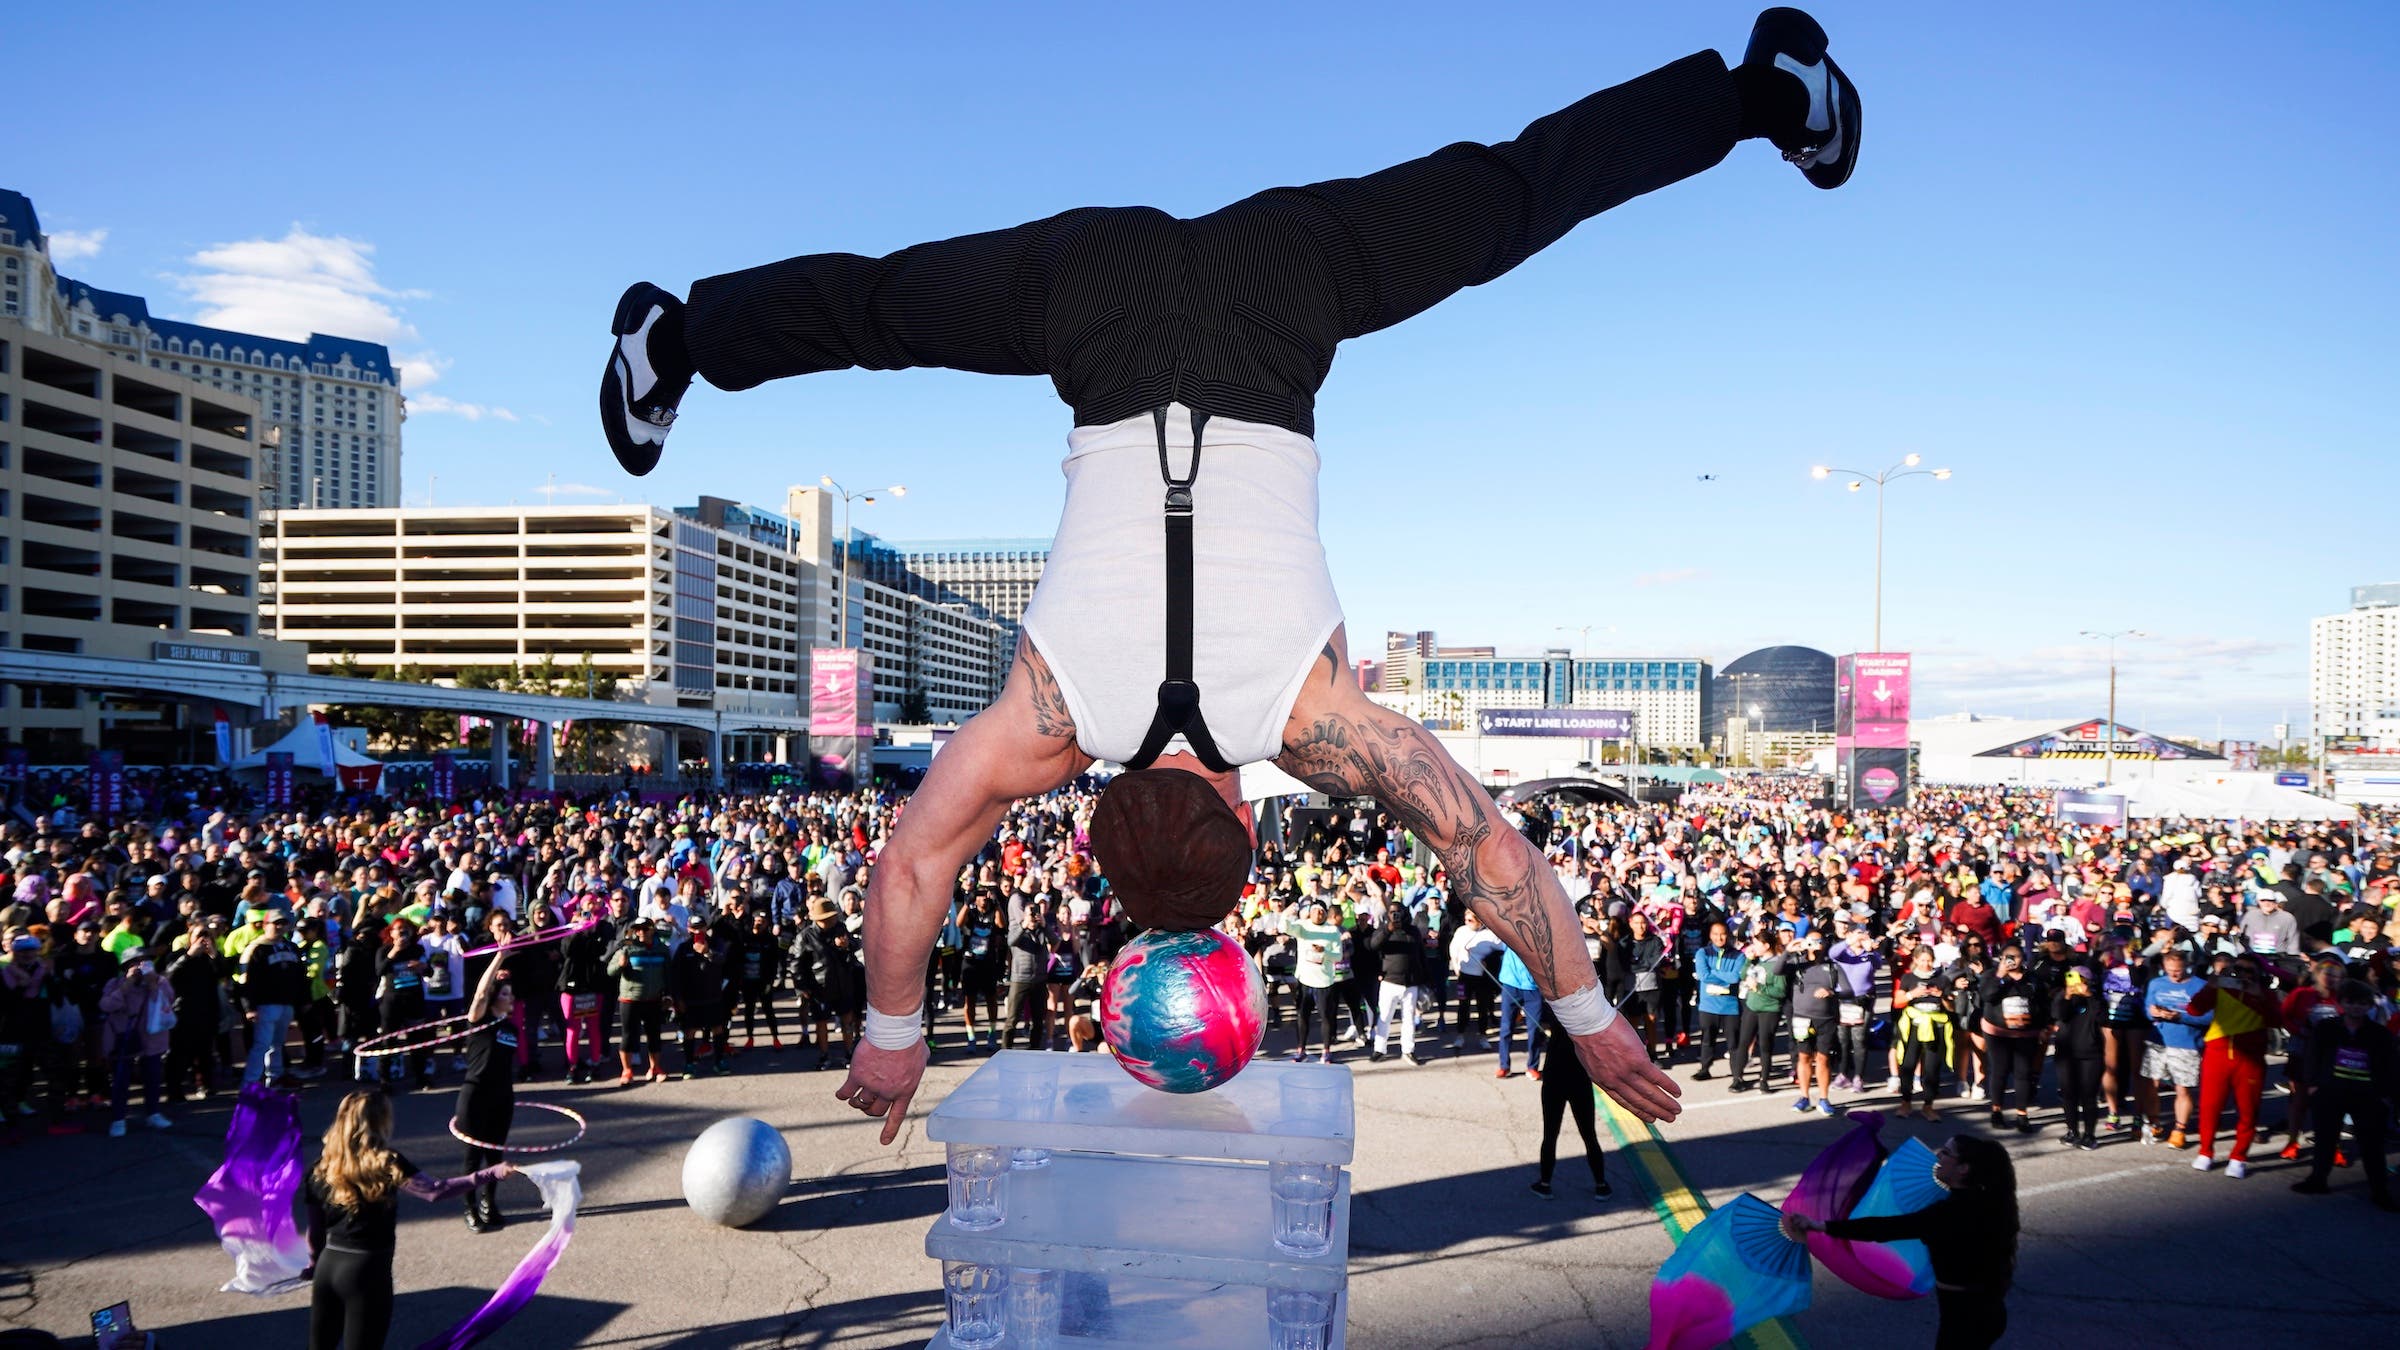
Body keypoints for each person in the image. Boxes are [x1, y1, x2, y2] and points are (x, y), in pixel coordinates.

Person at [666, 10, 1880, 1142]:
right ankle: (673, 334)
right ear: (1095, 820)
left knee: (1511, 196)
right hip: (1098, 289)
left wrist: (1591, 1019)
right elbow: (916, 865)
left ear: (1247, 814)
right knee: (884, 308)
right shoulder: (1046, 722)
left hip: (1280, 284)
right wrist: (892, 1032)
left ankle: (1756, 95)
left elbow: (1489, 855)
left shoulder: (1309, 722)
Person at [305, 1089, 514, 1350]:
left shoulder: (320, 1167)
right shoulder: (386, 1162)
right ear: (380, 1121)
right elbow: (436, 1190)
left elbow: (314, 1233)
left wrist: (314, 1263)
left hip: (329, 1266)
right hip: (367, 1270)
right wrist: (490, 1173)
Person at [1783, 1136, 2018, 1350]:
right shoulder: (1988, 1200)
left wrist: (1822, 1226)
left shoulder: (1950, 1213)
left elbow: (1886, 1227)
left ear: (1963, 1169)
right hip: (1985, 1309)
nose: (1938, 1156)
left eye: (1946, 1153)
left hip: (1967, 1318)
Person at [2289, 979, 2397, 1210]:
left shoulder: (2380, 1034)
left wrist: (2386, 1094)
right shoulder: (2327, 1028)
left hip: (2367, 1095)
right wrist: (2312, 1085)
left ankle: (2380, 1191)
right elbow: (2312, 1056)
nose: (2356, 1008)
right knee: (2325, 1140)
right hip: (2330, 1091)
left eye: (2361, 1003)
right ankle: (2318, 1180)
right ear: (2342, 1004)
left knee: (2372, 1145)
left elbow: (2390, 1065)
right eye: (2351, 1002)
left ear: (2369, 1006)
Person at [2186, 954, 2281, 1178]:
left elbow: (2276, 1021)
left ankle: (2239, 1156)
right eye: (2239, 969)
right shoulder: (2222, 988)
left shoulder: (2266, 994)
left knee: (2248, 1110)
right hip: (2217, 1054)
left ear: (2259, 975)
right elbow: (2194, 1010)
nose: (2244, 975)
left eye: (2250, 971)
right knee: (2210, 1107)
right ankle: (2205, 1151)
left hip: (2250, 1059)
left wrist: (2259, 997)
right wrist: (2210, 986)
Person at [453, 956, 518, 1232]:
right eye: (505, 993)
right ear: (494, 999)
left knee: (495, 1158)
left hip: (502, 1097)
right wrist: (500, 956)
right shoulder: (480, 1022)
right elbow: (480, 993)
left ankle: (489, 1204)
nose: (510, 997)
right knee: (473, 1157)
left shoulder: (512, 1029)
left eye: (511, 994)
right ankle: (469, 1208)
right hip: (475, 1096)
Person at [1529, 1001, 1612, 1202]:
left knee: (1550, 1133)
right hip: (1579, 1079)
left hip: (1554, 1078)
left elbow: (1538, 1029)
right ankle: (1600, 1184)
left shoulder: (1554, 1010)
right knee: (1589, 1134)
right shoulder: (1587, 1016)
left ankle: (1545, 1183)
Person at [95, 946, 174, 1137]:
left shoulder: (160, 981)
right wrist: (128, 984)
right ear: (126, 966)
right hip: (125, 1037)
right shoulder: (116, 983)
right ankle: (118, 1118)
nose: (141, 966)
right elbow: (106, 1005)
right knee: (121, 1079)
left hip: (152, 1038)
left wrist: (153, 983)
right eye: (136, 962)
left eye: (145, 961)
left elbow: (167, 1002)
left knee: (153, 1077)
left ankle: (153, 1112)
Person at [2139, 946, 2209, 1149]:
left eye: (2177, 970)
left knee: (2182, 1088)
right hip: (2158, 1041)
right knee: (2151, 1085)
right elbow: (2146, 1009)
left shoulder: (2200, 986)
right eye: (2169, 970)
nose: (2173, 975)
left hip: (2186, 1044)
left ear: (2187, 965)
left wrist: (2180, 1016)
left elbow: (2210, 1017)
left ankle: (2180, 1129)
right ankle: (2154, 1123)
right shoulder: (2156, 984)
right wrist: (2153, 1012)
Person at [1977, 945, 2046, 1134]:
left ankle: (2021, 1115)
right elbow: (1987, 996)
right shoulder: (1992, 975)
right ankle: (1996, 1111)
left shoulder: (2032, 978)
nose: (2012, 961)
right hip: (1998, 1033)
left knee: (2023, 1074)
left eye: (2015, 957)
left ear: (2022, 958)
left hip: (2026, 1034)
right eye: (2007, 957)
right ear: (2000, 958)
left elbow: (2041, 1004)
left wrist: (2043, 1027)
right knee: (1999, 1071)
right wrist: (2000, 975)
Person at [241, 911, 307, 1087]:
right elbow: (246, 981)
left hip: (286, 1003)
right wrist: (249, 1007)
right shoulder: (256, 948)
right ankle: (250, 1084)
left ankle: (275, 1077)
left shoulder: (292, 947)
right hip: (265, 1004)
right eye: (275, 923)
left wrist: (303, 1000)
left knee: (277, 1044)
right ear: (265, 925)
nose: (279, 927)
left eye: (283, 923)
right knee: (261, 1045)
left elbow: (301, 976)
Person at [1892, 941, 1954, 1121]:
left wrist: (1941, 996)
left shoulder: (1942, 979)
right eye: (1922, 960)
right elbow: (1898, 1002)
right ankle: (1905, 1103)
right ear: (1916, 960)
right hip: (1913, 1026)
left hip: (1935, 1026)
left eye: (1929, 960)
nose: (1926, 964)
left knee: (1932, 1067)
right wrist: (1913, 994)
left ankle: (1928, 1106)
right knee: (1908, 1063)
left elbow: (1951, 1007)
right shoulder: (1908, 978)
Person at [606, 918, 671, 1085]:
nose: (641, 931)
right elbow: (610, 971)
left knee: (654, 1035)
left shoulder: (662, 949)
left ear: (652, 929)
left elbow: (668, 974)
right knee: (628, 1036)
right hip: (630, 999)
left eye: (645, 928)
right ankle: (627, 1070)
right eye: (638, 929)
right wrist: (621, 965)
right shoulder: (627, 948)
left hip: (653, 999)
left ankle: (655, 1067)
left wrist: (668, 995)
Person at [2048, 965, 2106, 1149]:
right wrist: (2066, 995)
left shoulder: (2096, 999)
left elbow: (2101, 1017)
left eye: (2079, 978)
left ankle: (2090, 1134)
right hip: (2066, 1053)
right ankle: (2072, 1131)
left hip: (2091, 1054)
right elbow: (2058, 1014)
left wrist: (2088, 995)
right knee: (2068, 1094)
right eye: (2071, 977)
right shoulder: (2063, 996)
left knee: (2089, 1095)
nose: (2074, 982)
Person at [1728, 929, 1789, 1094]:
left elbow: (1781, 991)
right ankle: (1737, 1078)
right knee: (1743, 1042)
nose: (1753, 947)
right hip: (1752, 1007)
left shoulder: (1777, 965)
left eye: (1756, 944)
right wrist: (1748, 961)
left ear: (1766, 945)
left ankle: (1764, 1080)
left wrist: (1760, 987)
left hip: (1769, 1010)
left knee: (1765, 1045)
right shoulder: (1757, 961)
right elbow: (1742, 975)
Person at [1369, 903, 1428, 1065]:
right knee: (1385, 1017)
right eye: (1392, 912)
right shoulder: (1383, 929)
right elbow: (1373, 945)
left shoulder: (1413, 931)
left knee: (1408, 1018)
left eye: (1398, 912)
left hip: (1410, 983)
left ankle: (1408, 1050)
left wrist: (1424, 979)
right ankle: (1379, 1049)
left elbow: (1421, 955)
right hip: (1389, 981)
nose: (1395, 915)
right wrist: (1388, 930)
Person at [1789, 932, 1840, 1116]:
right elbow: (1778, 970)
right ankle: (1804, 1097)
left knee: (1823, 1058)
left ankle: (1824, 1099)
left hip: (1825, 1019)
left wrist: (1831, 992)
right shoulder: (1797, 963)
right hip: (1801, 1017)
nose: (1816, 945)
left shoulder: (1831, 966)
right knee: (1803, 1057)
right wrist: (1788, 951)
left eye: (1820, 941)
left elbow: (1848, 989)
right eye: (1812, 941)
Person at [1691, 920, 1745, 1081]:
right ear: (1710, 935)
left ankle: (1737, 1076)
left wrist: (1714, 972)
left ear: (1728, 935)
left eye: (1722, 934)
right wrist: (1723, 976)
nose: (1719, 938)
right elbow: (1703, 975)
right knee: (1707, 1039)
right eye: (1715, 934)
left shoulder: (1738, 955)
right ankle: (1705, 1069)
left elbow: (1736, 977)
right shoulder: (1702, 952)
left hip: (1730, 1007)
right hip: (1708, 1006)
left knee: (1734, 1043)